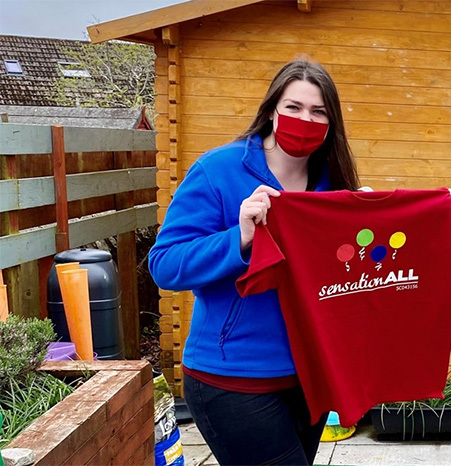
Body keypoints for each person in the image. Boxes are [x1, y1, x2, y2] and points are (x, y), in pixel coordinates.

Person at [148, 59, 359, 466]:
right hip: (232, 379)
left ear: (332, 123)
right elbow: (165, 264)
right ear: (272, 110)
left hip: (306, 377)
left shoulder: (331, 182)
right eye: (294, 107)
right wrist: (241, 238)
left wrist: (362, 221)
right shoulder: (218, 170)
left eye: (319, 112)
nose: (305, 119)